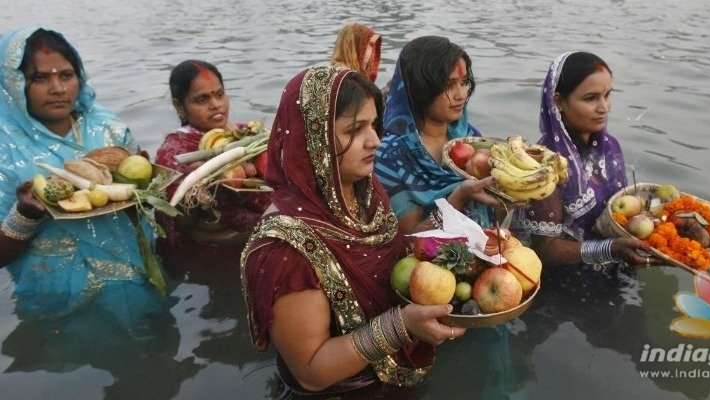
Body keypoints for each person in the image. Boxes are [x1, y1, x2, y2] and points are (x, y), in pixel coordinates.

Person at [241, 66, 465, 398]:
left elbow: (390, 260)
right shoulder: (285, 247)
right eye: (354, 130)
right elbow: (311, 372)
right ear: (313, 139)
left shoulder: (365, 191)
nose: (375, 140)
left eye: (374, 125)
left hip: (394, 377)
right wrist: (401, 326)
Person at [0, 27, 169, 329]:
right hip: (55, 303)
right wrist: (24, 215)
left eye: (66, 75)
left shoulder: (110, 132)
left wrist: (141, 191)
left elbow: (143, 217)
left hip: (135, 284)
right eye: (40, 78)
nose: (58, 88)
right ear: (14, 85)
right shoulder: (5, 149)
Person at [510, 51, 649, 267]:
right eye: (590, 98)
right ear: (559, 102)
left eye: (607, 95)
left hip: (618, 266)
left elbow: (620, 214)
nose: (604, 108)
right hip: (565, 284)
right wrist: (609, 249)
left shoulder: (610, 148)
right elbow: (545, 250)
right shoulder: (545, 164)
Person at [375, 36, 499, 234]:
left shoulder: (470, 138)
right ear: (419, 89)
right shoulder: (390, 157)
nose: (461, 95)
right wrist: (458, 198)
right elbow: (409, 240)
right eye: (448, 85)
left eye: (464, 82)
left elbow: (493, 215)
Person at [154, 59, 270, 270]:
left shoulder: (247, 135)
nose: (216, 105)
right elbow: (183, 224)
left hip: (255, 246)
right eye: (201, 99)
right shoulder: (175, 152)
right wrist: (198, 185)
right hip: (206, 261)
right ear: (180, 106)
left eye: (219, 94)